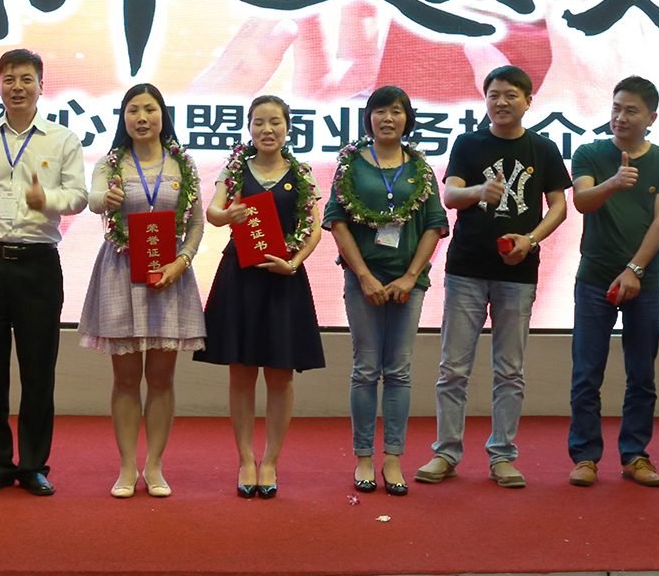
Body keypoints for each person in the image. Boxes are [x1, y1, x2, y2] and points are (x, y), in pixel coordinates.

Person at [0, 48, 89, 497]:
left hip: (38, 265)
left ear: (41, 86)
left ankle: (32, 465)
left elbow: (79, 196)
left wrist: (46, 199)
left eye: (26, 79)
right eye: (9, 79)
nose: (18, 87)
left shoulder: (62, 139)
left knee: (38, 369)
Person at [420, 65, 570, 489]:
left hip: (517, 273)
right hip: (466, 269)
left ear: (528, 101)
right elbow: (450, 194)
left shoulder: (543, 148)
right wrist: (478, 192)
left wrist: (531, 239)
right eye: (494, 95)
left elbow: (559, 207)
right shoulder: (468, 143)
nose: (501, 102)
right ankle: (446, 453)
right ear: (485, 99)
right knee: (453, 368)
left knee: (510, 370)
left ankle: (503, 455)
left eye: (510, 95)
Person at [79, 83, 205, 499]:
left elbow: (196, 223)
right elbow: (93, 199)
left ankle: (154, 465)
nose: (141, 118)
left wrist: (182, 261)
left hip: (170, 274)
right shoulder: (111, 162)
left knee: (162, 378)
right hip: (121, 272)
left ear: (162, 115)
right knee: (126, 378)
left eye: (149, 109)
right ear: (124, 117)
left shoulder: (182, 163)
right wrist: (106, 198)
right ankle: (127, 466)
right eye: (133, 110)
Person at [198, 96, 326, 499]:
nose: (266, 130)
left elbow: (314, 228)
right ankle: (246, 459)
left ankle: (270, 461)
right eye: (258, 123)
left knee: (280, 375)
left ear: (288, 127)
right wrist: (228, 215)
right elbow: (212, 212)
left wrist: (295, 263)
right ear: (249, 128)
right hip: (240, 277)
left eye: (275, 122)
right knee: (241, 372)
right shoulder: (236, 169)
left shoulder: (301, 173)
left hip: (283, 278)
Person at [325, 87, 447, 497]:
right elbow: (337, 221)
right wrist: (363, 275)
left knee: (398, 371)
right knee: (365, 369)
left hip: (407, 283)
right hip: (364, 281)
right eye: (380, 111)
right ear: (369, 118)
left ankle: (392, 457)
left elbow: (435, 225)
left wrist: (411, 276)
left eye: (396, 111)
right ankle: (363, 456)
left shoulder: (420, 168)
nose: (388, 118)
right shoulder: (351, 164)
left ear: (407, 118)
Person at [566, 76, 659, 488]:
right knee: (587, 372)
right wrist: (613, 182)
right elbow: (581, 201)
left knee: (641, 374)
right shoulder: (590, 153)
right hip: (595, 278)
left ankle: (635, 455)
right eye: (616, 108)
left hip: (644, 282)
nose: (621, 117)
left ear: (651, 118)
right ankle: (585, 456)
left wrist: (635, 269)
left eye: (631, 110)